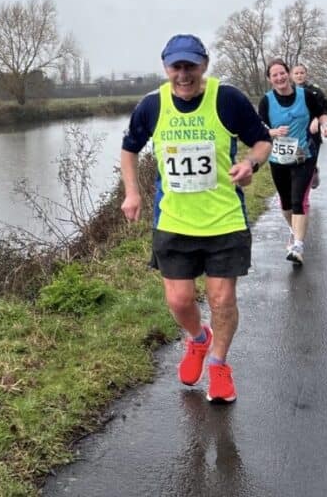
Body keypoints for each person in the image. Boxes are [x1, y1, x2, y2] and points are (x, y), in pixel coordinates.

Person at [121, 34, 270, 404]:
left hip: (224, 220)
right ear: (166, 68)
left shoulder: (229, 99)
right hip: (173, 221)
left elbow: (262, 141)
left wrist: (250, 163)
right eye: (177, 67)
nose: (183, 75)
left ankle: (219, 365)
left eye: (191, 66)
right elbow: (128, 149)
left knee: (222, 300)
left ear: (204, 64)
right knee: (179, 300)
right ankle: (199, 340)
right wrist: (133, 192)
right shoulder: (152, 105)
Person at [258, 58, 327, 266]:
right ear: (269, 79)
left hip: (303, 156)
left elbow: (322, 113)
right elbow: (259, 127)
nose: (280, 77)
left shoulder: (306, 95)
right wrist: (272, 131)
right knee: (286, 202)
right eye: (275, 75)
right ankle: (294, 230)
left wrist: (323, 124)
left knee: (299, 199)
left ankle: (298, 245)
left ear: (288, 74)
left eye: (282, 73)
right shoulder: (266, 101)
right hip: (278, 158)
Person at [290, 63, 327, 190]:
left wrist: (319, 121)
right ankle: (299, 195)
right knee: (295, 165)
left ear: (306, 74)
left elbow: (325, 109)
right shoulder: (287, 91)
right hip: (293, 134)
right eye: (296, 73)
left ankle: (312, 173)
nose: (299, 75)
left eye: (302, 73)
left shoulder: (315, 91)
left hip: (312, 135)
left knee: (308, 164)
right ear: (291, 76)